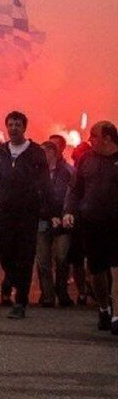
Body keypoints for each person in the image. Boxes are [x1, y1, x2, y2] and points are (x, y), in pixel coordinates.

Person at [0, 111, 52, 320]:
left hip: (28, 212)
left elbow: (45, 183)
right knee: (3, 252)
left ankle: (20, 300)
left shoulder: (35, 152)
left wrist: (52, 211)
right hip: (6, 210)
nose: (13, 128)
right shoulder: (1, 152)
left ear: (24, 127)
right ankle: (15, 281)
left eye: (17, 125)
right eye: (10, 124)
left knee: (25, 256)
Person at [63, 121, 118, 335]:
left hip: (116, 223)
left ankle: (116, 316)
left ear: (107, 137)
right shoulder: (86, 159)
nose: (90, 140)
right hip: (92, 223)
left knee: (117, 267)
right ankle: (104, 308)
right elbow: (75, 189)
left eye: (93, 135)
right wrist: (69, 211)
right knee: (97, 270)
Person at [36, 140, 73, 307]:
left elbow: (71, 195)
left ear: (53, 152)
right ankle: (48, 296)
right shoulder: (35, 173)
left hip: (62, 222)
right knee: (43, 261)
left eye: (45, 151)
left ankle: (62, 292)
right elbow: (35, 198)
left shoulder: (67, 171)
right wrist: (48, 214)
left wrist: (65, 214)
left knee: (62, 258)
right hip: (43, 221)